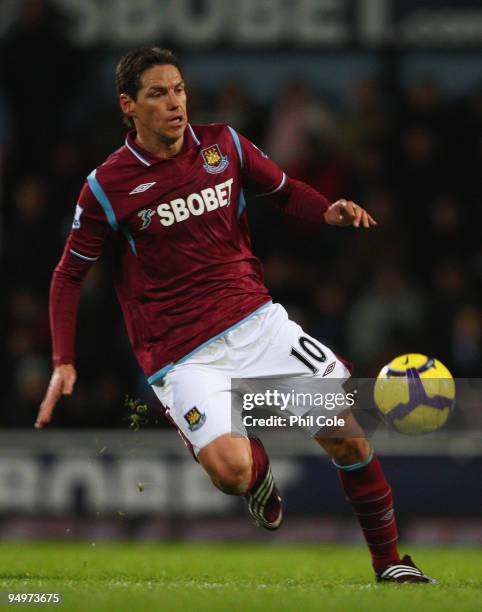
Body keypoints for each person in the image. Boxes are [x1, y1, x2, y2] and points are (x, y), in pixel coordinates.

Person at [36, 47, 435, 584]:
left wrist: (326, 210)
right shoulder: (108, 187)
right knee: (232, 474)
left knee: (347, 435)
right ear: (128, 106)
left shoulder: (224, 145)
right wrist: (63, 358)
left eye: (178, 89)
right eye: (158, 93)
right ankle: (259, 474)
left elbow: (284, 191)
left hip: (255, 323)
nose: (175, 103)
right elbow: (68, 275)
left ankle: (391, 565)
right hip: (181, 354)